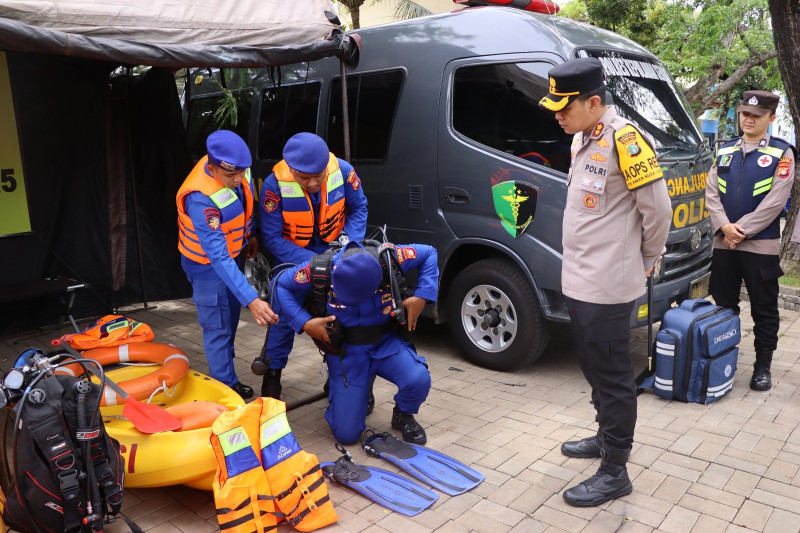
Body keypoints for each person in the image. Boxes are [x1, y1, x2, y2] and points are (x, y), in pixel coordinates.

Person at [538, 58, 671, 507]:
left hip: (608, 285)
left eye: (564, 106)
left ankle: (615, 469)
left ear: (594, 102)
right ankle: (604, 436)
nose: (557, 114)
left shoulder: (626, 141)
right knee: (593, 366)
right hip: (580, 279)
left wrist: (648, 258)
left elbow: (658, 212)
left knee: (612, 376)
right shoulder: (584, 136)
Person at [272, 241, 438, 445]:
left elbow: (429, 252)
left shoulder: (389, 259)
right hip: (347, 353)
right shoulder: (320, 269)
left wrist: (422, 295)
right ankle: (361, 388)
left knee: (418, 378)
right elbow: (280, 284)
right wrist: (304, 322)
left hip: (385, 343)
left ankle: (403, 415)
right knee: (346, 435)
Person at [257, 132, 368, 399]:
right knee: (282, 311)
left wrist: (347, 248)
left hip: (336, 251)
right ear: (292, 170)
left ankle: (337, 370)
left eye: (318, 175)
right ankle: (273, 372)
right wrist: (316, 263)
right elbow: (271, 237)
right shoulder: (273, 185)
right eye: (304, 178)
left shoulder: (344, 171)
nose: (314, 182)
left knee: (342, 313)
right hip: (293, 256)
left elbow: (359, 209)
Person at [177, 130, 279, 399]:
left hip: (232, 254)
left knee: (230, 317)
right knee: (217, 325)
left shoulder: (232, 170)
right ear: (212, 168)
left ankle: (226, 375)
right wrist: (252, 299)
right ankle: (224, 387)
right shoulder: (199, 198)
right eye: (230, 176)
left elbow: (244, 202)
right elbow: (216, 256)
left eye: (241, 174)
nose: (237, 180)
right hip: (205, 265)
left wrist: (250, 236)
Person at [706, 90, 796, 392]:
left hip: (760, 245)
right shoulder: (725, 150)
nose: (748, 119)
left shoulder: (783, 153)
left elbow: (776, 201)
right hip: (723, 245)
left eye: (756, 116)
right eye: (745, 114)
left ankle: (762, 367)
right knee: (724, 307)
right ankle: (723, 360)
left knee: (764, 308)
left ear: (770, 119)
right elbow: (711, 193)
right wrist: (723, 227)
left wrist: (739, 230)